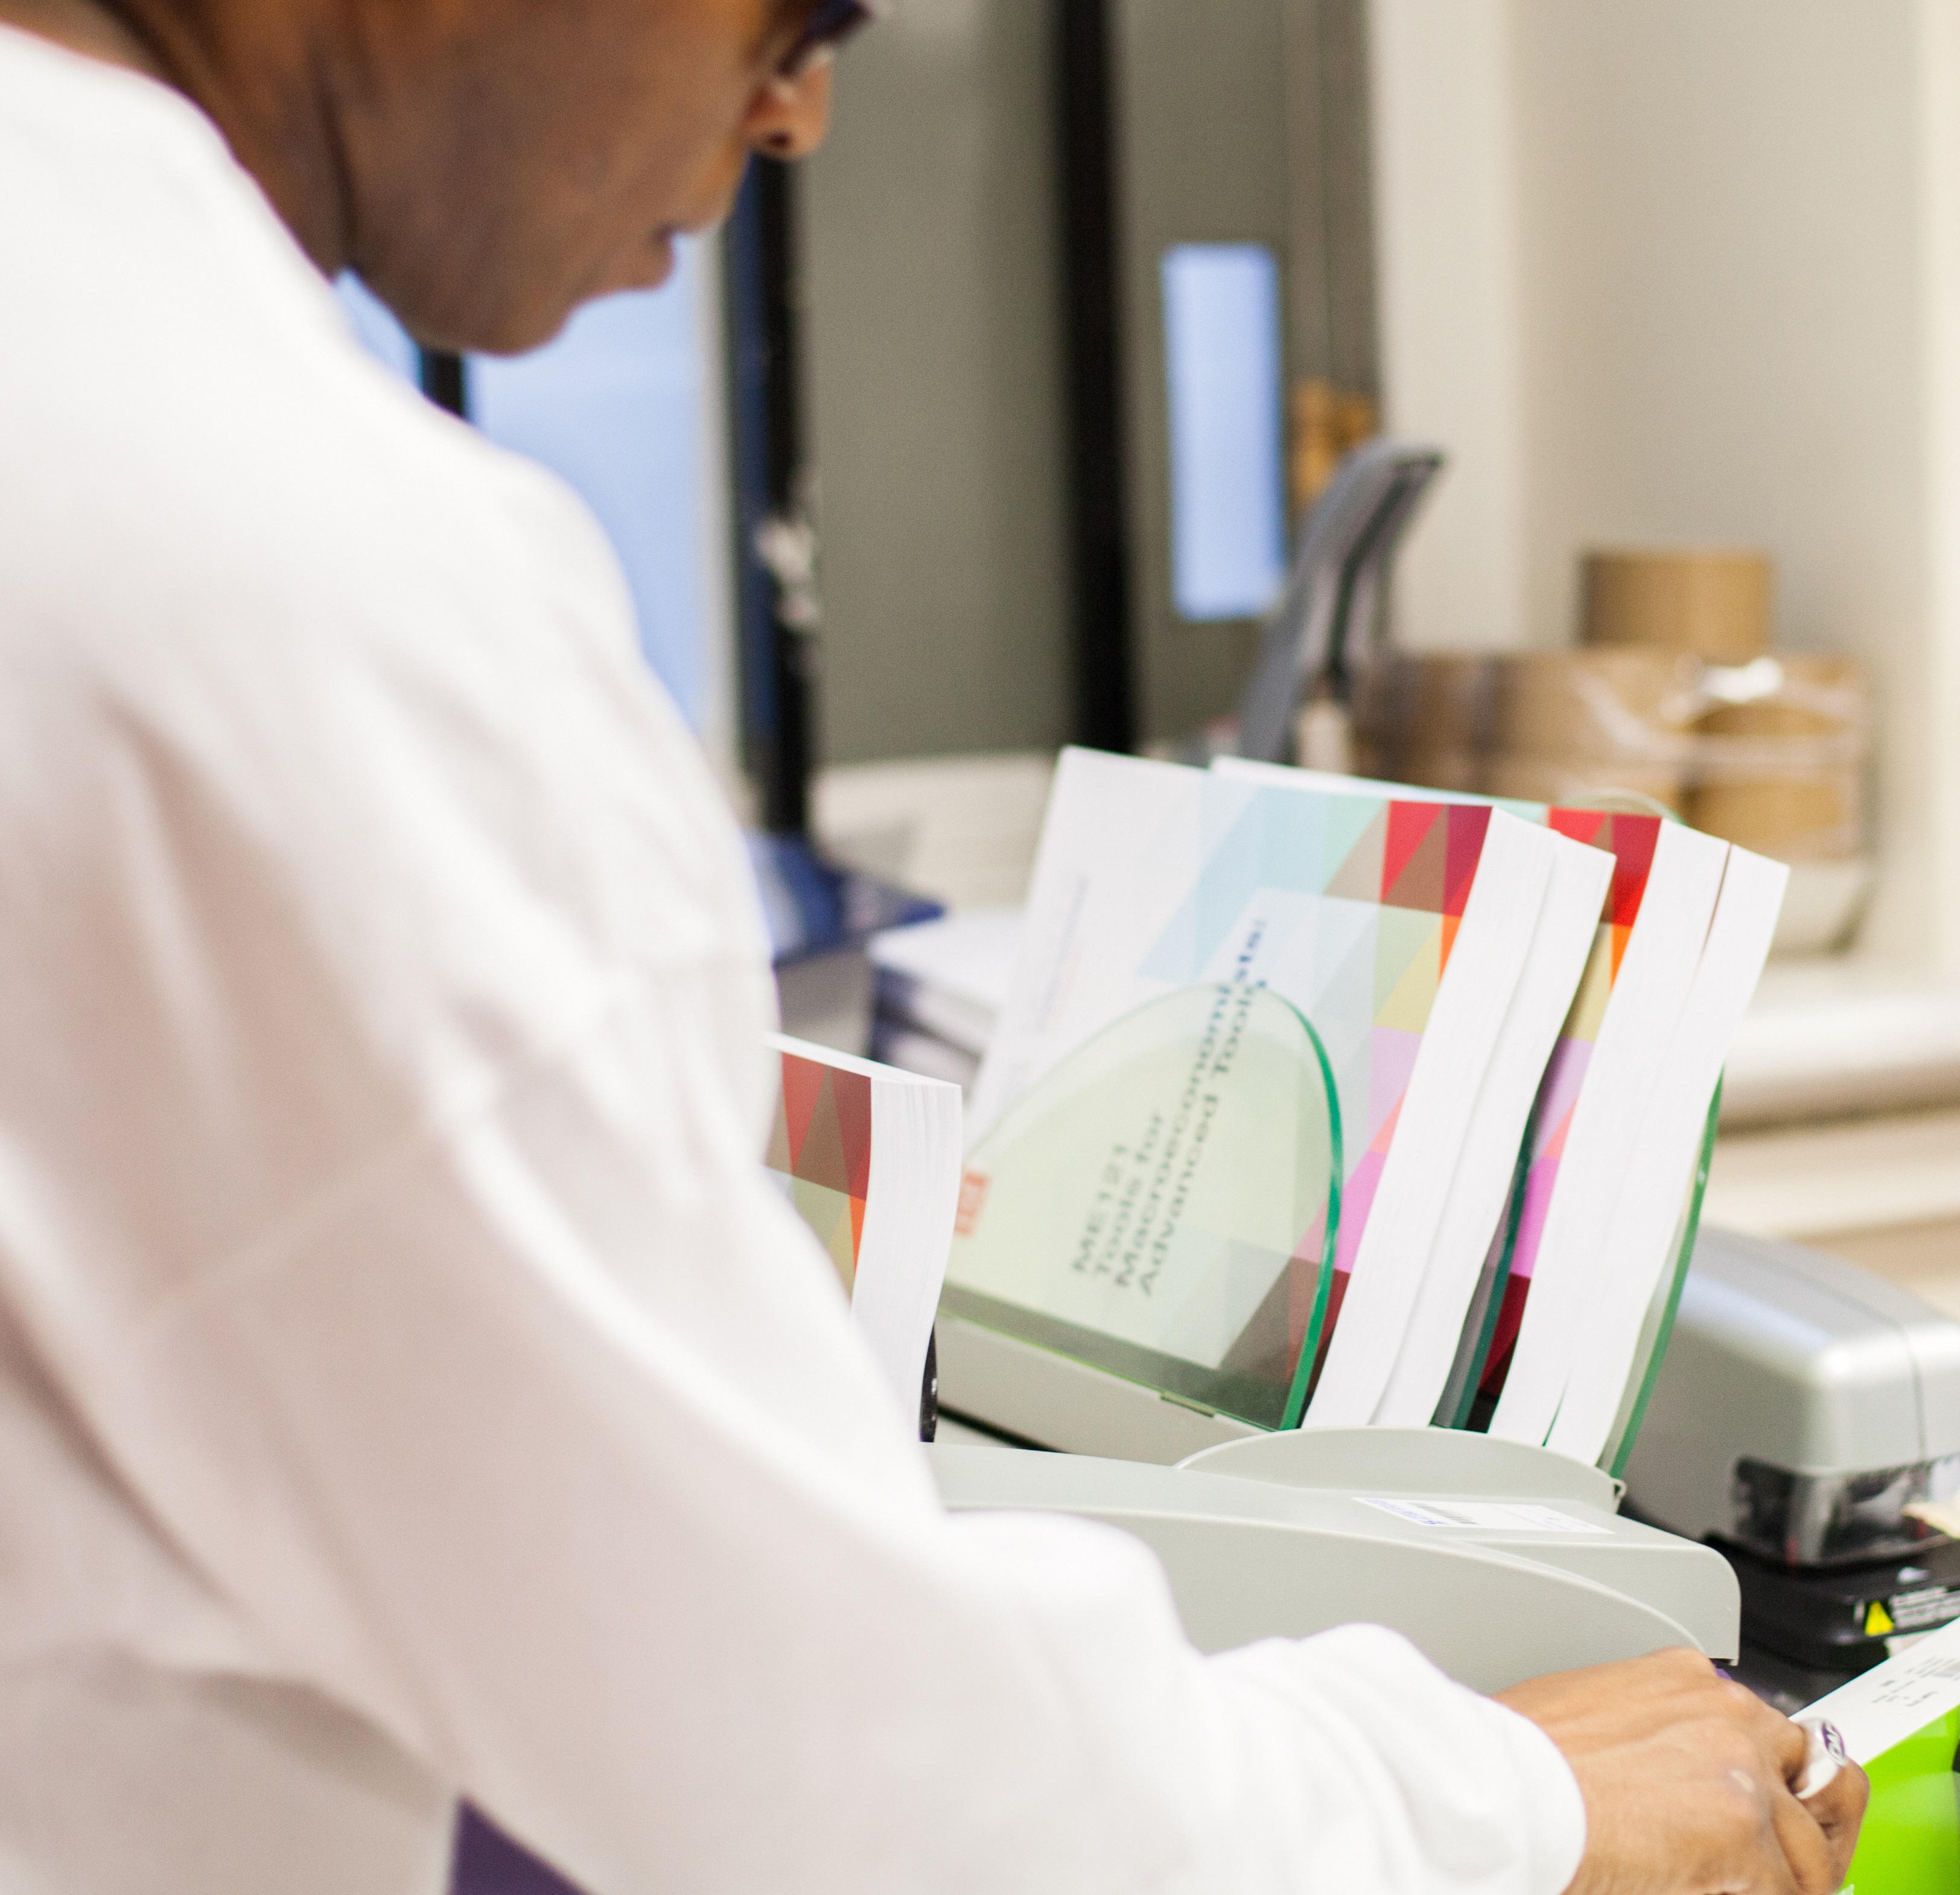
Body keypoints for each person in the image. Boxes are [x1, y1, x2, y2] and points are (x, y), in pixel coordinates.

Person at [0, 1, 1866, 1891]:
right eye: (796, 17)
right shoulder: (291, 572)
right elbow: (800, 1747)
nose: (798, 114)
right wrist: (1508, 1800)